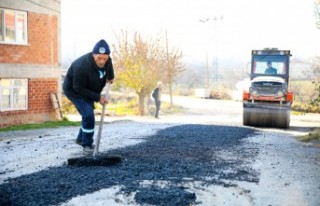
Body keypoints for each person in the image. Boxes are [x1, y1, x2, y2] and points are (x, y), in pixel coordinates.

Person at [63, 39, 114, 154]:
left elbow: (109, 65)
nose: (102, 61)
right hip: (74, 90)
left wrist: (110, 76)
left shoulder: (107, 59)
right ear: (93, 55)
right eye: (99, 58)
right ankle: (87, 145)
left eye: (104, 59)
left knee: (87, 115)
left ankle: (81, 139)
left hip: (89, 89)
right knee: (88, 115)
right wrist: (98, 97)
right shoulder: (81, 67)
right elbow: (78, 88)